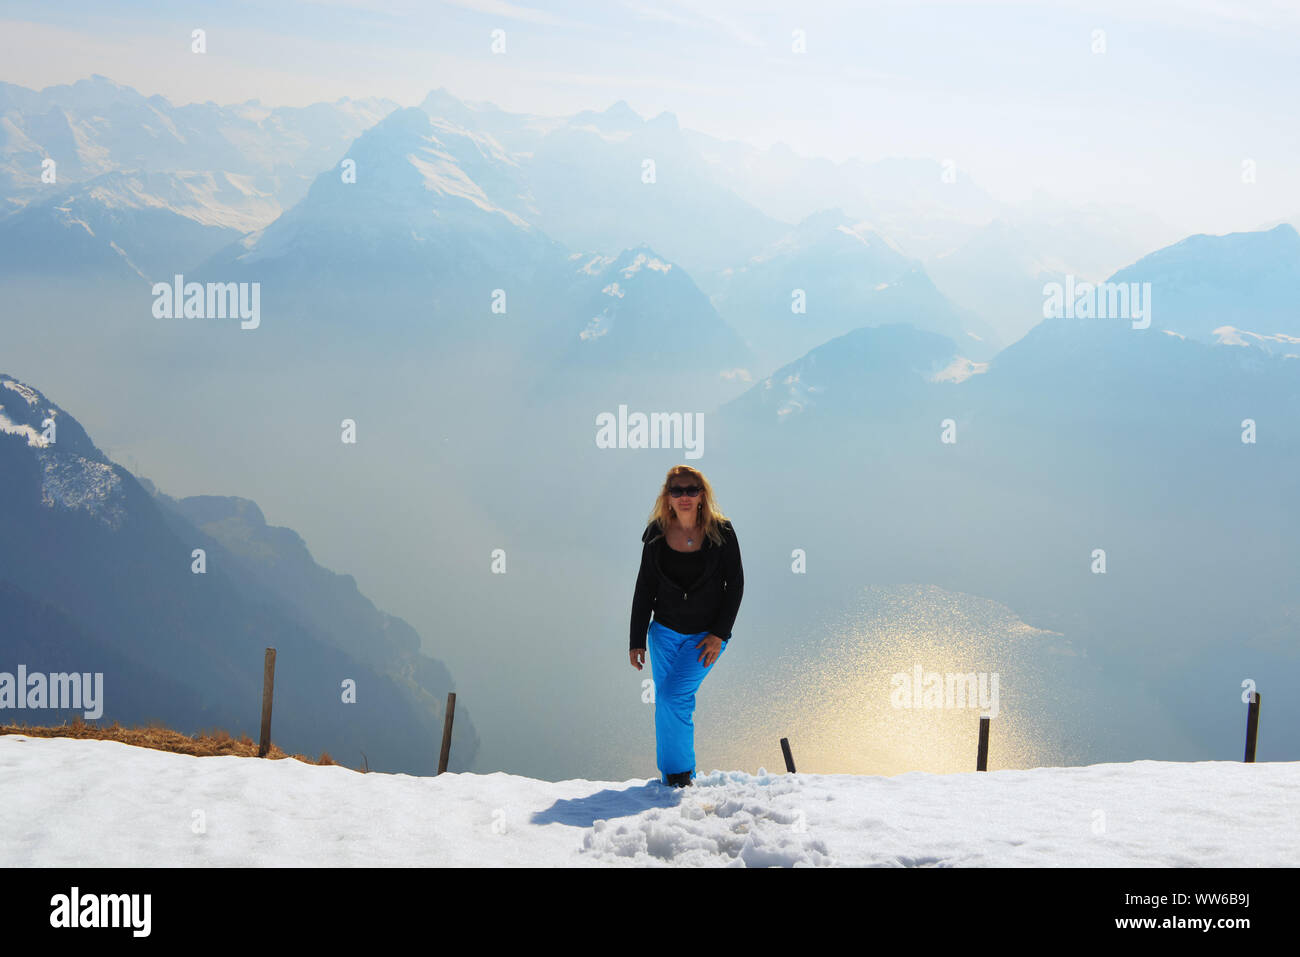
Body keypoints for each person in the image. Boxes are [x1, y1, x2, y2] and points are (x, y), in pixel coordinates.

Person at [629, 465, 743, 788]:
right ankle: (672, 779)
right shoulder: (655, 534)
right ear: (667, 497)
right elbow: (644, 588)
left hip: (705, 637)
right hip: (663, 634)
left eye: (691, 490)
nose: (684, 496)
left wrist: (719, 635)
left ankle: (681, 777)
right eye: (676, 490)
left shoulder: (722, 532)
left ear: (702, 495)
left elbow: (735, 585)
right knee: (666, 701)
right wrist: (636, 638)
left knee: (672, 698)